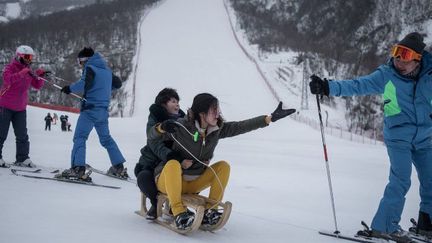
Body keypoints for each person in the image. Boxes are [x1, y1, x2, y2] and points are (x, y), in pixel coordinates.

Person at [309, 32, 432, 241]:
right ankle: (384, 226)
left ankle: (427, 225)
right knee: (400, 180)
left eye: (406, 55)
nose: (399, 60)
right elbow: (358, 85)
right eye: (396, 54)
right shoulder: (387, 75)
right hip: (398, 136)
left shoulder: (429, 76)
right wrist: (328, 87)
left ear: (418, 59)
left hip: (425, 137)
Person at [147, 93, 295, 230]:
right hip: (168, 181)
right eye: (214, 110)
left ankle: (210, 211)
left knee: (223, 166)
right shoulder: (180, 126)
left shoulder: (216, 130)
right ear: (202, 112)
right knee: (173, 164)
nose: (218, 113)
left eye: (218, 109)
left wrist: (269, 118)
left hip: (193, 183)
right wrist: (161, 127)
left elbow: (241, 126)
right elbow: (151, 137)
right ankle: (179, 214)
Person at [56, 47, 127, 181]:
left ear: (85, 60)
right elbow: (118, 84)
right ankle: (119, 167)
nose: (80, 64)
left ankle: (78, 169)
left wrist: (69, 89)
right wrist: (104, 88)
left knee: (80, 137)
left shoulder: (90, 68)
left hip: (90, 110)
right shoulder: (106, 70)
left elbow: (84, 84)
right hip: (103, 112)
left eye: (80, 61)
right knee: (106, 139)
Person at [134, 88, 186, 220]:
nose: (177, 104)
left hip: (172, 161)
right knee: (144, 176)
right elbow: (152, 138)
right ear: (163, 104)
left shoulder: (182, 119)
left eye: (178, 102)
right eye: (173, 101)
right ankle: (155, 202)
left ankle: (176, 205)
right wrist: (162, 127)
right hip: (152, 161)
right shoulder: (155, 117)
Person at [0, 45, 46, 168]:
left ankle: (23, 158)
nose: (29, 60)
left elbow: (36, 85)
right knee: (1, 133)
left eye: (31, 57)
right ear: (19, 56)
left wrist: (40, 76)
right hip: (5, 105)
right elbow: (7, 80)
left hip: (20, 108)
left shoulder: (28, 70)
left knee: (22, 135)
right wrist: (21, 73)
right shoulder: (9, 68)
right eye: (26, 57)